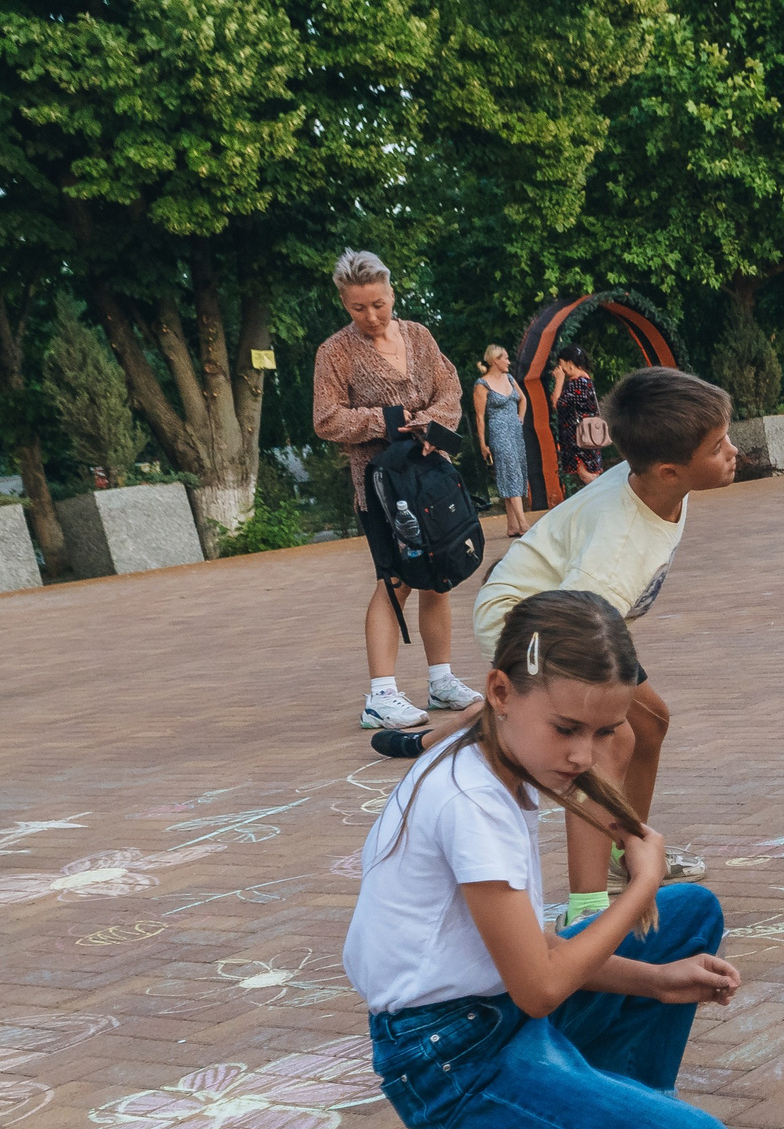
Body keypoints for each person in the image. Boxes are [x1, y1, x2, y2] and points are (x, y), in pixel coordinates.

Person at [343, 589, 740, 1129]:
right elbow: (539, 986)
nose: (584, 755)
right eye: (567, 729)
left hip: (489, 1017)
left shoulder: (491, 757)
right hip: (449, 1061)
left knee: (689, 914)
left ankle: (593, 1115)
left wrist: (657, 979)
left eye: (603, 731)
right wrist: (639, 880)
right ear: (500, 691)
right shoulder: (473, 803)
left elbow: (533, 951)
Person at [382, 366, 736, 922]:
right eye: (718, 447)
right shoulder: (617, 550)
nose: (732, 452)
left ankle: (627, 848)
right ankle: (588, 909)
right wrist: (584, 719)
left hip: (572, 609)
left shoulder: (660, 482)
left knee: (651, 722)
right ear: (671, 469)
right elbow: (574, 622)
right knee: (605, 744)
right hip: (533, 622)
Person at [311, 248, 483, 732]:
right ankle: (380, 696)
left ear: (392, 292)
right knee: (396, 579)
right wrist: (385, 421)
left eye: (379, 304)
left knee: (440, 572)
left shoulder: (419, 336)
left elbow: (449, 388)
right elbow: (325, 419)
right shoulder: (335, 352)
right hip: (382, 487)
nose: (371, 316)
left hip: (432, 476)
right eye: (358, 308)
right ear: (345, 304)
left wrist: (431, 422)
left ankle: (441, 680)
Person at [474, 345, 532, 538]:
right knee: (511, 472)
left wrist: (520, 418)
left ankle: (512, 526)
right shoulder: (482, 384)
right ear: (495, 360)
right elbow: (480, 416)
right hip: (499, 432)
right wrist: (483, 443)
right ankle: (523, 524)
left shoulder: (510, 379)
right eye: (505, 358)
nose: (508, 362)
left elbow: (523, 399)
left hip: (515, 431)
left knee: (516, 472)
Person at [551, 345, 606, 492]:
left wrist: (559, 381)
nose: (560, 369)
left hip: (578, 436)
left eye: (561, 364)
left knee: (585, 473)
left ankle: (606, 496)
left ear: (569, 363)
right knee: (590, 472)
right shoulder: (586, 381)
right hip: (588, 433)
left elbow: (557, 403)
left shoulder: (576, 383)